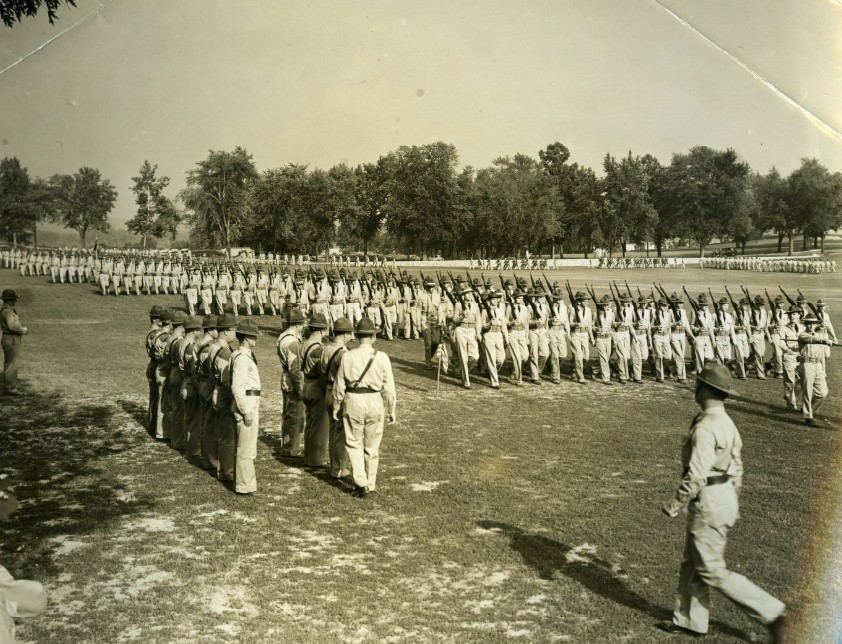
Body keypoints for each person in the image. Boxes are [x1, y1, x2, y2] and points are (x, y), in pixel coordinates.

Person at [660, 363, 786, 641]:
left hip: (709, 499)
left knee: (711, 569)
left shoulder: (706, 426)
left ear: (704, 389)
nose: (695, 388)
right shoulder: (726, 422)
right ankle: (690, 620)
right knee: (693, 561)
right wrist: (733, 499)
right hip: (724, 495)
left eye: (698, 384)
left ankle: (773, 613)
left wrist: (675, 503)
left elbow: (696, 474)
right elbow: (737, 466)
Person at [333, 317, 397, 498]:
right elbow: (389, 387)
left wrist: (336, 406)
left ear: (357, 336)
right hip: (375, 400)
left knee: (354, 442)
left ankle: (361, 482)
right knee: (372, 444)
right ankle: (370, 482)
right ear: (373, 337)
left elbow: (339, 386)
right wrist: (392, 409)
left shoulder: (348, 356)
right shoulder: (382, 357)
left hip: (353, 399)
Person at [230, 318, 262, 494]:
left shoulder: (242, 355)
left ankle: (246, 483)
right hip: (247, 402)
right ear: (246, 338)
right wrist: (246, 410)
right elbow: (237, 386)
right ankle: (243, 485)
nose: (255, 339)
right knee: (245, 447)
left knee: (248, 446)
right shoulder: (242, 358)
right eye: (253, 336)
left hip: (251, 400)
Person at [798, 316, 832, 427]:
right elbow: (811, 339)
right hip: (807, 364)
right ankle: (808, 417)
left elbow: (822, 356)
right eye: (808, 323)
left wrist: (823, 370)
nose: (810, 326)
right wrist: (824, 340)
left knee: (822, 393)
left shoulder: (819, 336)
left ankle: (807, 409)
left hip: (818, 365)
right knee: (807, 391)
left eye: (813, 324)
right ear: (805, 324)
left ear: (816, 324)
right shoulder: (803, 335)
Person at [0, 290, 28, 396]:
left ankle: (10, 385)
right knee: (12, 364)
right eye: (14, 299)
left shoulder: (7, 310)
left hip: (9, 338)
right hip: (11, 339)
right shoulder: (7, 312)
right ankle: (11, 388)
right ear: (10, 300)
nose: (15, 301)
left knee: (10, 363)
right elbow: (12, 327)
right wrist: (23, 330)